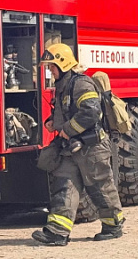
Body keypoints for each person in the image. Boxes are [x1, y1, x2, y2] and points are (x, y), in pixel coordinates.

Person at [31, 43, 125, 246]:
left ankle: (113, 225)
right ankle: (57, 232)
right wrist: (52, 122)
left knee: (99, 187)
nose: (50, 70)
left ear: (63, 64)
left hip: (92, 148)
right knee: (64, 186)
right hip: (71, 148)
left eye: (52, 66)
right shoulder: (63, 85)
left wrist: (67, 129)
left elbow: (91, 112)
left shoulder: (81, 84)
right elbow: (67, 110)